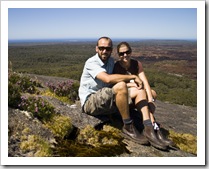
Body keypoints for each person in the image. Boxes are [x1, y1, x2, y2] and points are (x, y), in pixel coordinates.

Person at [78, 36, 167, 150]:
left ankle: (149, 127)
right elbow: (108, 79)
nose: (104, 51)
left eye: (108, 48)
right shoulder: (91, 62)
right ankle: (128, 126)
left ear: (111, 49)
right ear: (96, 48)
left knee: (139, 90)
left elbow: (114, 83)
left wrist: (137, 88)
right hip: (91, 102)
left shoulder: (110, 61)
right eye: (101, 48)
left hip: (107, 99)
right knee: (121, 86)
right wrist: (133, 77)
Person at [113, 41, 174, 147]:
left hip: (137, 94)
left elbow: (145, 81)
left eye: (127, 52)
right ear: (118, 55)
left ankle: (150, 127)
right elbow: (117, 85)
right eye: (121, 54)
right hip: (125, 96)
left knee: (153, 93)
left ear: (131, 52)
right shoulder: (116, 67)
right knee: (141, 91)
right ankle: (153, 128)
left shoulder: (136, 64)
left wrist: (150, 100)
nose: (125, 55)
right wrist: (132, 85)